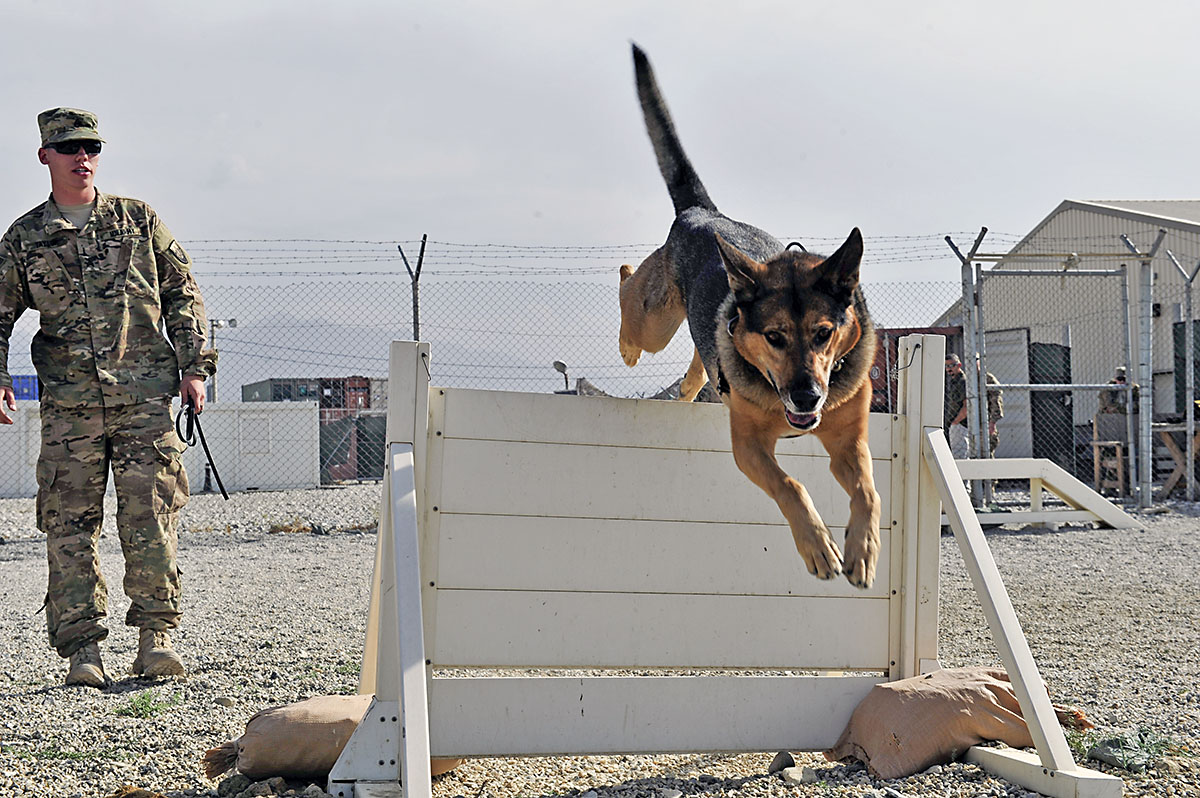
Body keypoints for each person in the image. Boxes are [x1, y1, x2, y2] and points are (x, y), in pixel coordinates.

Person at [0, 108, 217, 687]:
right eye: (69, 147)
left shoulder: (137, 221)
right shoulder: (25, 238)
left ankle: (156, 639)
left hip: (144, 401)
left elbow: (183, 291)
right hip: (70, 409)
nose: (82, 156)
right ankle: (82, 650)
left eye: (91, 147)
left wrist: (195, 367)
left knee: (150, 519)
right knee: (69, 527)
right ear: (45, 155)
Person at [944, 354, 968, 458]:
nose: (948, 369)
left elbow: (967, 405)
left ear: (959, 365)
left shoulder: (962, 381)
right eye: (946, 366)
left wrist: (956, 422)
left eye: (951, 365)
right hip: (954, 424)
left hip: (960, 424)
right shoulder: (953, 381)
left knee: (960, 456)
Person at [985, 371, 1003, 456]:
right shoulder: (967, 378)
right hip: (970, 422)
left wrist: (992, 422)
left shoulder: (987, 378)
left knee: (987, 450)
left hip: (985, 421)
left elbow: (996, 398)